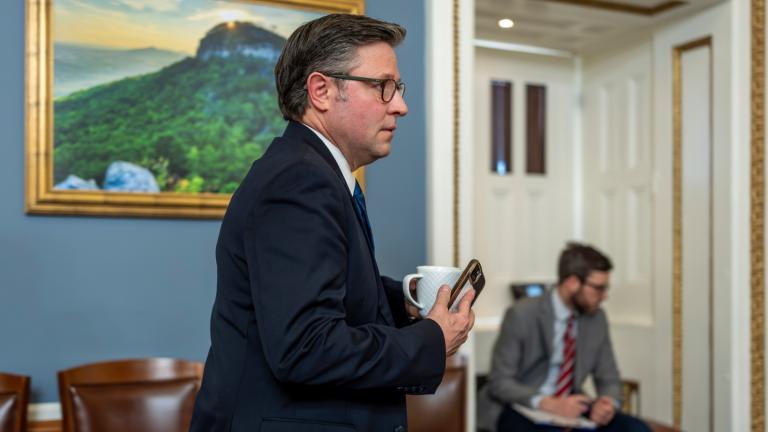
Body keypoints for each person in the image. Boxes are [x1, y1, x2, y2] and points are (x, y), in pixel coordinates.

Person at [189, 13, 475, 432]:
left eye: (398, 88)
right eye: (383, 87)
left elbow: (327, 288)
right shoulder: (299, 181)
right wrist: (432, 340)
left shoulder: (311, 171)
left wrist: (406, 299)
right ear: (321, 90)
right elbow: (306, 346)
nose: (401, 105)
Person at [477, 242, 651, 432]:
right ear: (572, 283)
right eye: (598, 288)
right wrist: (549, 403)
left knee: (637, 429)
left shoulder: (596, 318)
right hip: (522, 407)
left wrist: (607, 403)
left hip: (572, 406)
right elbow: (499, 381)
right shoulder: (522, 313)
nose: (605, 296)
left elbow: (609, 378)